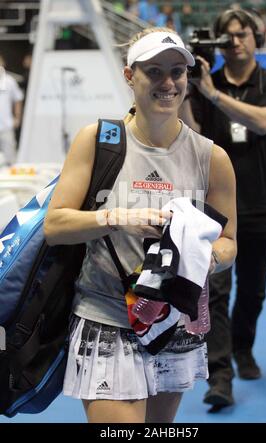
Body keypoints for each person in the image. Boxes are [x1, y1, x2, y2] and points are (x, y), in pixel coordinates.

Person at [44, 27, 237, 423]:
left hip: (172, 323)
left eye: (177, 72)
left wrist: (202, 259)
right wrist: (116, 218)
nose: (168, 83)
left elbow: (229, 241)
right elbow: (55, 224)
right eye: (154, 71)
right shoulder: (99, 139)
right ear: (130, 76)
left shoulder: (211, 157)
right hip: (106, 317)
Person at [180, 9, 266, 411]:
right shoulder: (204, 82)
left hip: (262, 201)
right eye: (227, 37)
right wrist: (187, 89)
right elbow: (192, 133)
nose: (235, 43)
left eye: (241, 34)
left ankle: (243, 350)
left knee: (254, 290)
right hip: (215, 206)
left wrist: (213, 94)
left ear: (255, 36)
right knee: (216, 291)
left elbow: (265, 122)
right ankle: (220, 374)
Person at [0, 54, 24, 165]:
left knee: (10, 159)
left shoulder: (9, 81)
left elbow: (18, 99)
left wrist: (17, 118)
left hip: (6, 126)